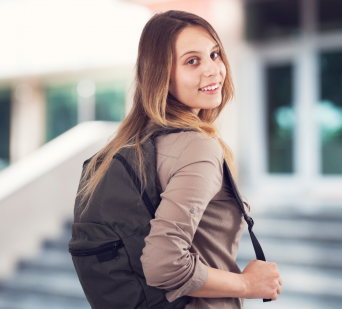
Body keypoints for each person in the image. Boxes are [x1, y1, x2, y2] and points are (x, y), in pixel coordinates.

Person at [76, 10, 282, 309]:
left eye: (214, 54)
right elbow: (163, 263)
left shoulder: (131, 147)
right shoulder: (198, 147)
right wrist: (248, 284)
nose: (213, 70)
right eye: (192, 61)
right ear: (162, 75)